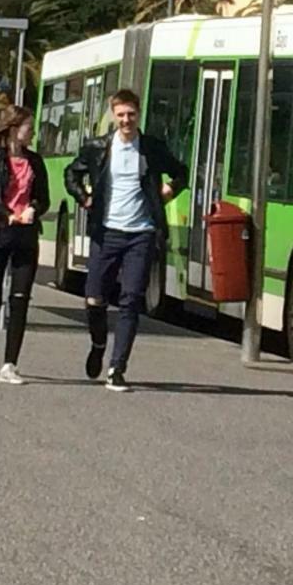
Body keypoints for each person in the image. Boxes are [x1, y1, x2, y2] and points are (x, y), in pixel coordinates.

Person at [65, 89, 187, 392]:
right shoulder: (98, 148)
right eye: (120, 115)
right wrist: (85, 198)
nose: (126, 120)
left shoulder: (151, 148)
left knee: (131, 300)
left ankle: (117, 368)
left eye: (131, 114)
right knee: (94, 298)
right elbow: (71, 174)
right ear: (113, 115)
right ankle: (97, 342)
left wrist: (169, 191)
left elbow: (181, 172)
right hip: (106, 232)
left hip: (141, 233)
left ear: (139, 113)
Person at [0, 105, 49, 385]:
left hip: (25, 238)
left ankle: (10, 364)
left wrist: (33, 209)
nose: (33, 132)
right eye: (29, 126)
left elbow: (44, 198)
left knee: (20, 300)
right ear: (14, 129)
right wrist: (6, 213)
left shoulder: (35, 162)